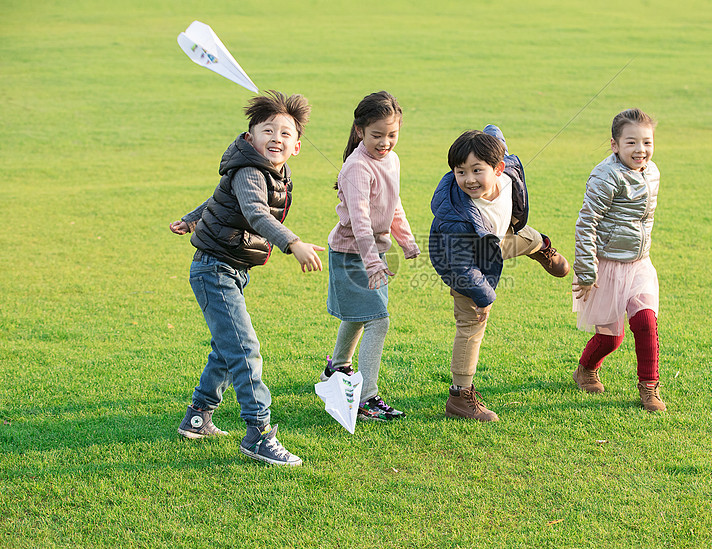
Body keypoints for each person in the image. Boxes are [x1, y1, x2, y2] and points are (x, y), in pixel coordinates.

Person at [170, 91, 325, 465]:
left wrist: (192, 218)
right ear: (249, 137)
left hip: (232, 267)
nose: (276, 138)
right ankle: (258, 432)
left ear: (297, 146)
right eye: (267, 130)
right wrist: (293, 243)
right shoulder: (251, 170)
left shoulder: (274, 171)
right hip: (215, 269)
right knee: (245, 349)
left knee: (228, 347)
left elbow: (219, 198)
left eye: (285, 133)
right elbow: (255, 212)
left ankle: (197, 416)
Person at [429, 126, 570, 421]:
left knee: (526, 237)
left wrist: (493, 133)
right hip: (464, 259)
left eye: (476, 170)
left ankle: (542, 246)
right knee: (472, 321)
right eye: (460, 172)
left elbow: (497, 137)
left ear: (498, 168)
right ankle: (459, 397)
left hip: (495, 235)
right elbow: (461, 267)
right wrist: (484, 296)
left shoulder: (510, 170)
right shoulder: (456, 218)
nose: (468, 179)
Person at [323, 91, 420, 421]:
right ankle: (366, 398)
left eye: (392, 135)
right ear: (359, 131)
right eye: (377, 135)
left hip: (373, 253)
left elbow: (394, 205)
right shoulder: (356, 169)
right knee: (378, 320)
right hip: (353, 254)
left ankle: (336, 369)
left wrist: (406, 241)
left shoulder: (392, 161)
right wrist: (372, 260)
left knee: (361, 314)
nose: (385, 142)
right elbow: (361, 221)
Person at [571, 108, 666, 411]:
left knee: (645, 322)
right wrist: (587, 272)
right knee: (612, 339)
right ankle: (585, 369)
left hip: (639, 264)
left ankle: (649, 387)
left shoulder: (652, 172)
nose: (641, 150)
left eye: (647, 143)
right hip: (606, 266)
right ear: (614, 144)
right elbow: (586, 223)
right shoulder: (605, 175)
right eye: (631, 143)